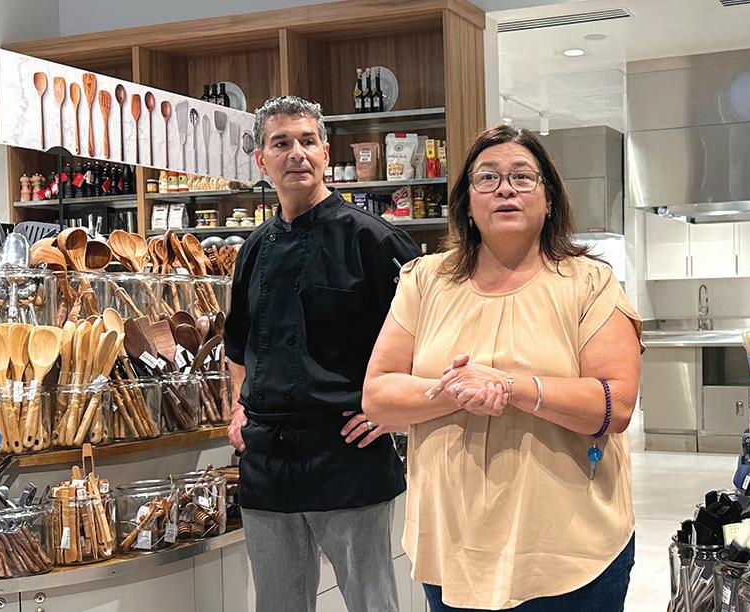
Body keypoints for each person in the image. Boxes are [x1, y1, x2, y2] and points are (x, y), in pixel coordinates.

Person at [362, 124, 643, 611]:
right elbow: (378, 396)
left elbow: (614, 404)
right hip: (452, 546)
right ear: (467, 203)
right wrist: (458, 391)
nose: (505, 189)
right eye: (487, 178)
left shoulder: (589, 282)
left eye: (522, 176)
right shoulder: (425, 281)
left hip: (568, 552)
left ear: (549, 199)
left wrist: (512, 387)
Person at [224, 95, 421, 612]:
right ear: (261, 160)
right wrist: (238, 404)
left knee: (371, 602)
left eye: (307, 141)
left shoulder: (374, 241)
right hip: (267, 462)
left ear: (326, 153)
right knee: (277, 605)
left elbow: (429, 339)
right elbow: (237, 343)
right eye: (281, 143)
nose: (296, 153)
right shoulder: (253, 249)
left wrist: (391, 415)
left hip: (347, 454)